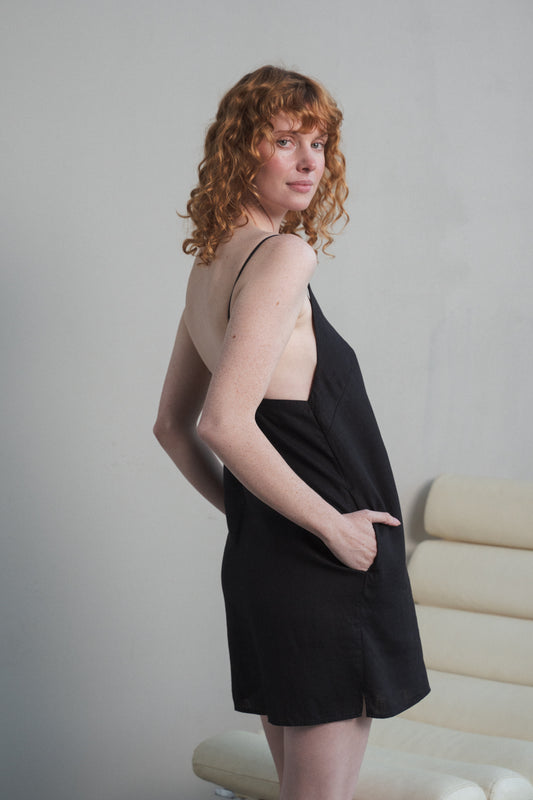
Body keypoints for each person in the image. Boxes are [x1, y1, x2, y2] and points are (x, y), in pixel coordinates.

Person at [154, 65, 430, 800]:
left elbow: (170, 427)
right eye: (284, 141)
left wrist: (258, 518)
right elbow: (219, 424)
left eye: (318, 143)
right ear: (241, 149)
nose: (309, 162)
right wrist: (331, 529)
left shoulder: (209, 264)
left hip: (270, 560)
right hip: (323, 567)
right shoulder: (282, 255)